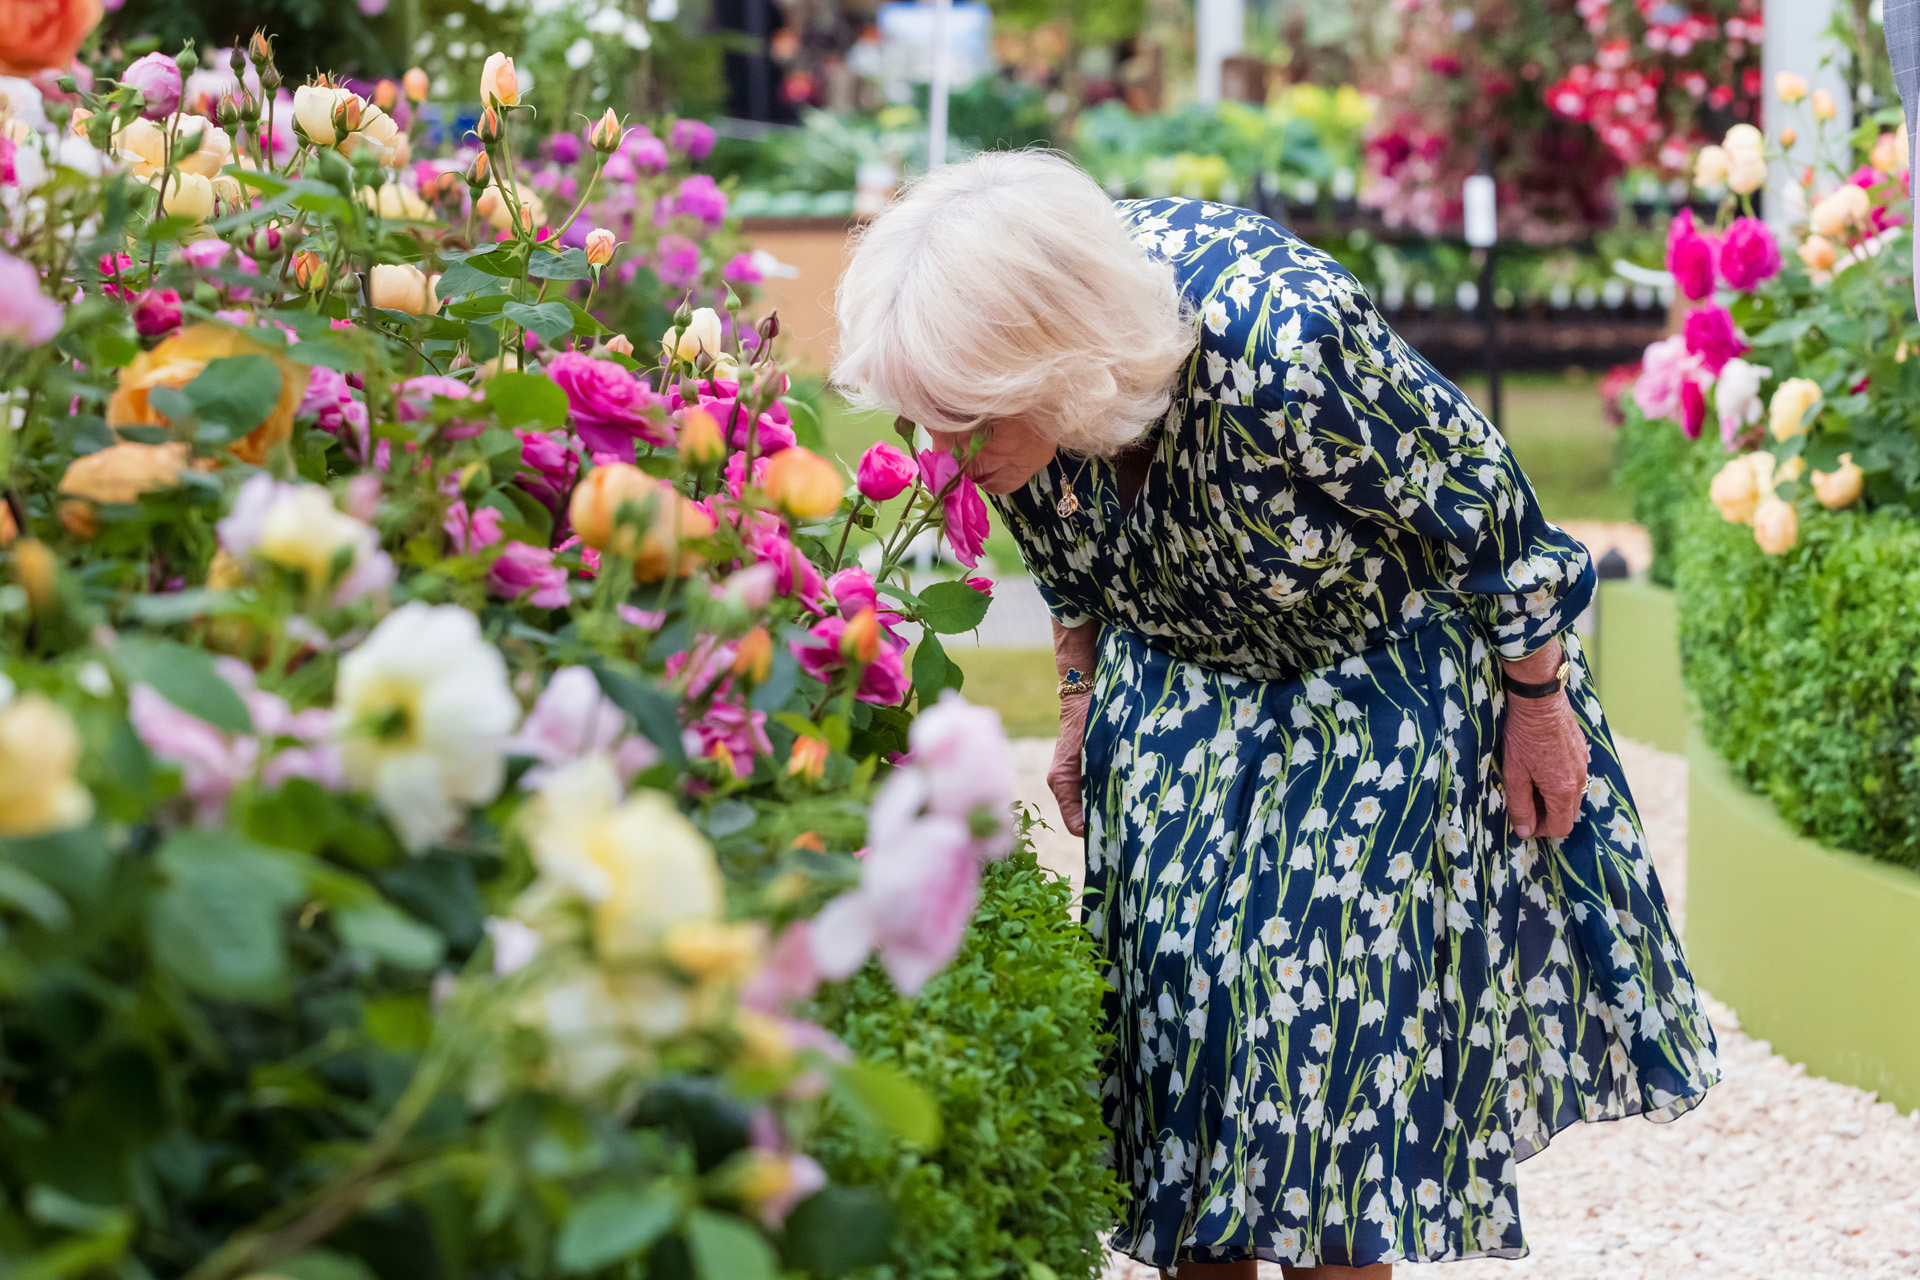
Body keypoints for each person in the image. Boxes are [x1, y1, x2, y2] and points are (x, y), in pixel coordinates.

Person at [832, 150, 1719, 1278]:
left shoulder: (1285, 343)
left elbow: (1488, 511)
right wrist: (1076, 700)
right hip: (1177, 679)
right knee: (1181, 1051)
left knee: (1323, 1074)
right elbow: (1073, 568)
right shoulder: (1008, 403)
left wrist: (1536, 702)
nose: (940, 457)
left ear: (1063, 362)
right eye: (927, 421)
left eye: (963, 424)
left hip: (1369, 685)